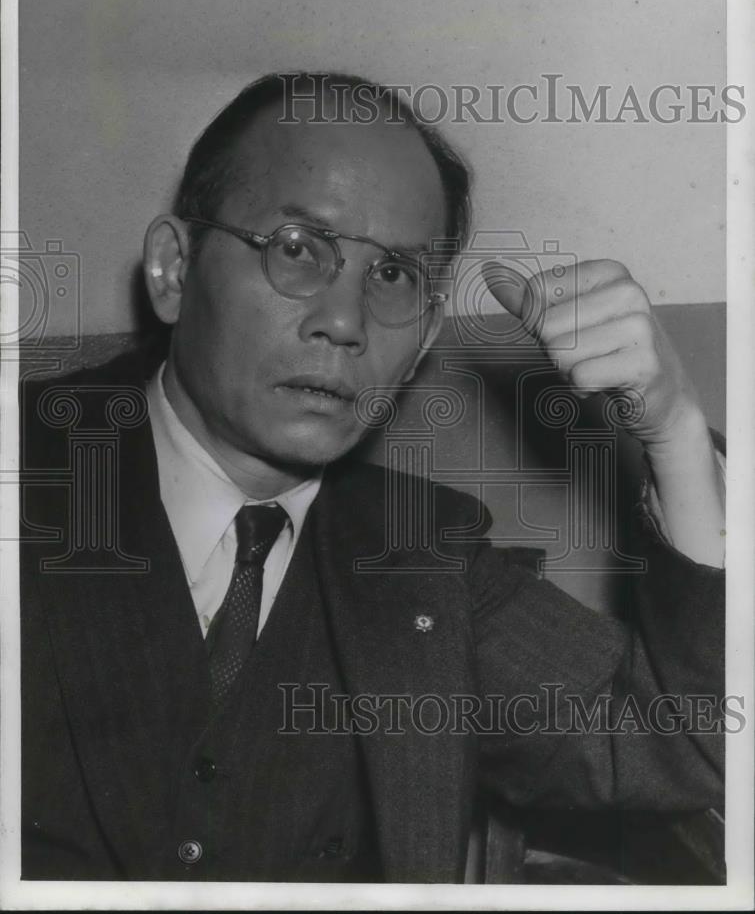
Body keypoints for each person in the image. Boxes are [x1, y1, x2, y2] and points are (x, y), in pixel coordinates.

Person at [20, 72, 725, 883]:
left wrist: (671, 435)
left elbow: (685, 742)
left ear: (424, 339)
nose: (345, 322)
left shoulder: (426, 558)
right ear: (174, 270)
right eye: (295, 250)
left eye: (392, 275)